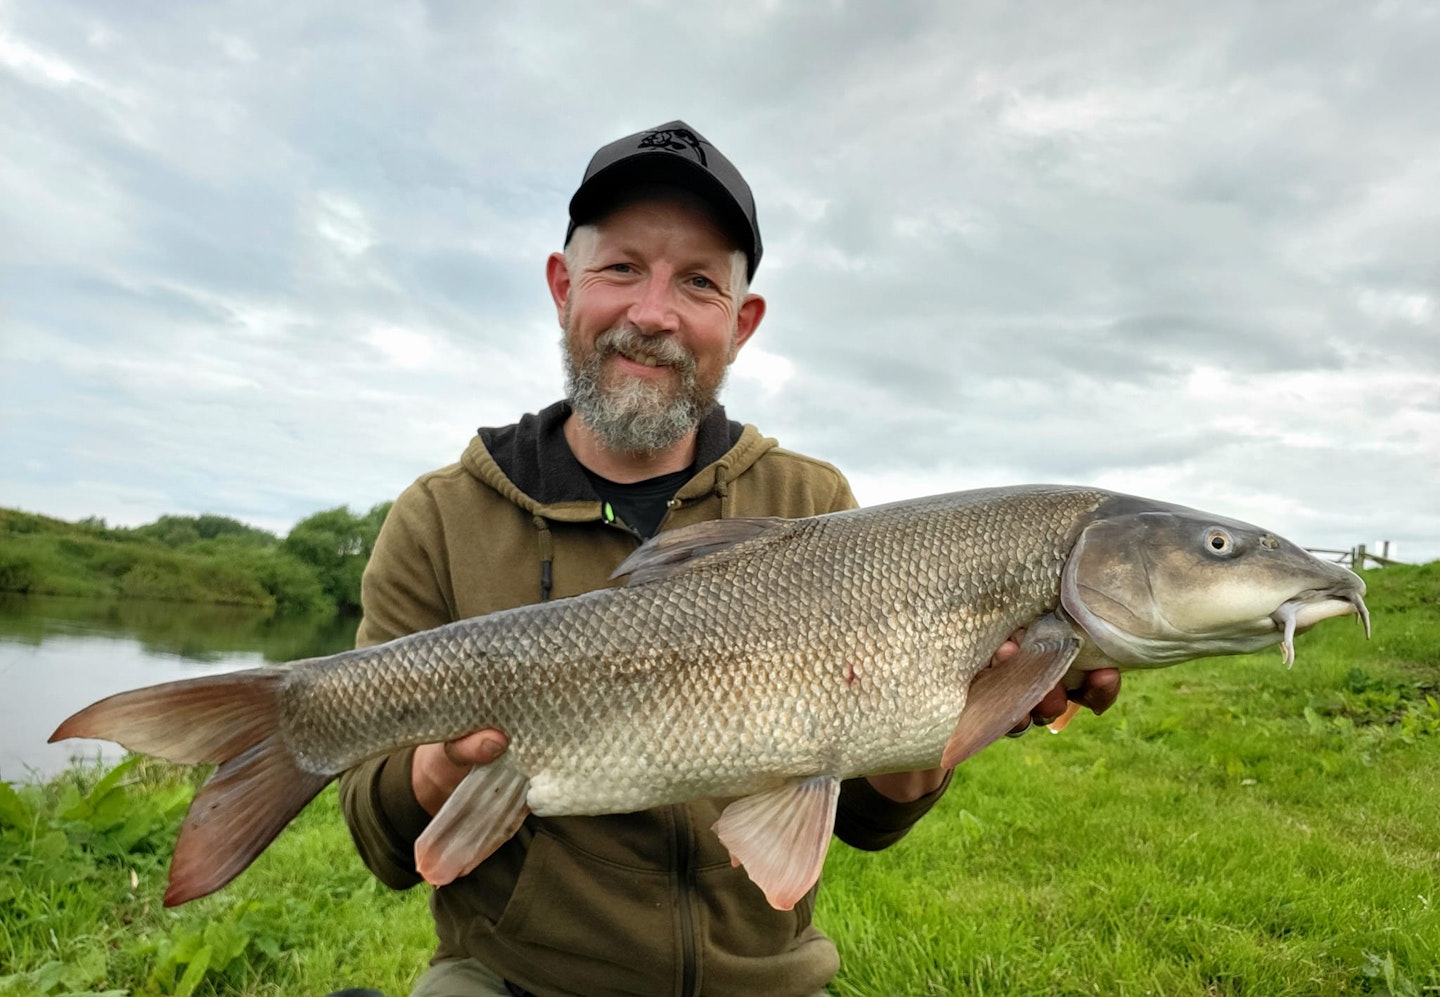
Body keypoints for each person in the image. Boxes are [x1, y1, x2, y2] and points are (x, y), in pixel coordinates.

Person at [338, 121, 1120, 997]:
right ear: (564, 287)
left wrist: (940, 731)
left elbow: (866, 819)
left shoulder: (811, 504)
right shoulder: (440, 517)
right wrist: (445, 765)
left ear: (741, 323)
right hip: (516, 976)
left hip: (766, 982)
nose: (653, 314)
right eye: (621, 268)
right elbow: (380, 839)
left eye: (699, 282)